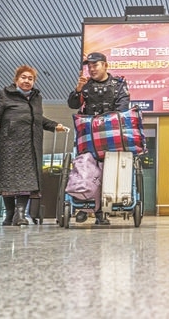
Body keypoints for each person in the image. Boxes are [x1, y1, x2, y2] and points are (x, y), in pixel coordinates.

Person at [0, 65, 68, 226]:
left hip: (30, 145)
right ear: (16, 79)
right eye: (23, 77)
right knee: (7, 179)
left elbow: (38, 119)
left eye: (30, 78)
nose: (27, 81)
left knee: (28, 179)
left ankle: (20, 213)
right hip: (8, 144)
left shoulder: (36, 98)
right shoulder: (3, 95)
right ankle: (10, 213)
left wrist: (54, 125)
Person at [67, 51, 130, 225]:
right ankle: (85, 206)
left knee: (108, 170)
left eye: (95, 65)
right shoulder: (85, 85)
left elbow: (123, 107)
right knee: (85, 167)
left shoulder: (118, 85)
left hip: (111, 135)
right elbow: (73, 104)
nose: (92, 69)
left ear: (105, 65)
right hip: (88, 135)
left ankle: (100, 211)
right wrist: (77, 90)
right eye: (89, 66)